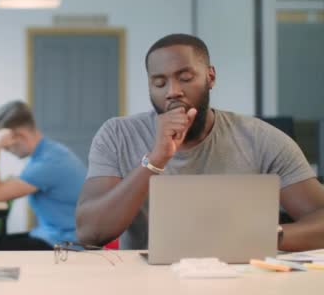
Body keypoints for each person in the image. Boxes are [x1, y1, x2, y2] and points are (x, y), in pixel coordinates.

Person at [76, 33, 324, 252]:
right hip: (149, 282)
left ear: (210, 77)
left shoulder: (262, 139)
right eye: (159, 83)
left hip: (241, 279)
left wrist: (266, 237)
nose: (172, 91)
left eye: (185, 77)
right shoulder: (117, 135)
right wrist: (155, 160)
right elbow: (90, 233)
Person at [0, 100, 87, 250]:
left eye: (6, 147)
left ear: (18, 135)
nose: (8, 151)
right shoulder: (48, 153)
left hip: (65, 243)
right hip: (51, 235)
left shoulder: (48, 162)